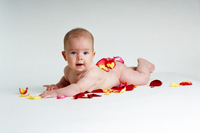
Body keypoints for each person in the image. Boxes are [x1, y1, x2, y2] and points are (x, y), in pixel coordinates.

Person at [39, 28, 155, 98]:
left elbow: (77, 89)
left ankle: (143, 63)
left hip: (117, 72)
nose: (80, 57)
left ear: (93, 55)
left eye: (85, 53)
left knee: (142, 79)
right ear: (64, 56)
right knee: (132, 72)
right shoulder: (67, 70)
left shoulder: (91, 74)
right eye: (74, 52)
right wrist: (58, 85)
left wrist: (56, 93)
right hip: (109, 72)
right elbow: (66, 80)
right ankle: (132, 68)